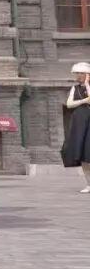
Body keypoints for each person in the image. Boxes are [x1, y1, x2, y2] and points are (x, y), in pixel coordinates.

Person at [61, 62, 90, 192]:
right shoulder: (75, 88)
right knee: (83, 155)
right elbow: (69, 104)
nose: (78, 75)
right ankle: (89, 184)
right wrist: (83, 101)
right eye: (77, 73)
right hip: (79, 122)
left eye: (81, 73)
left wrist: (87, 84)